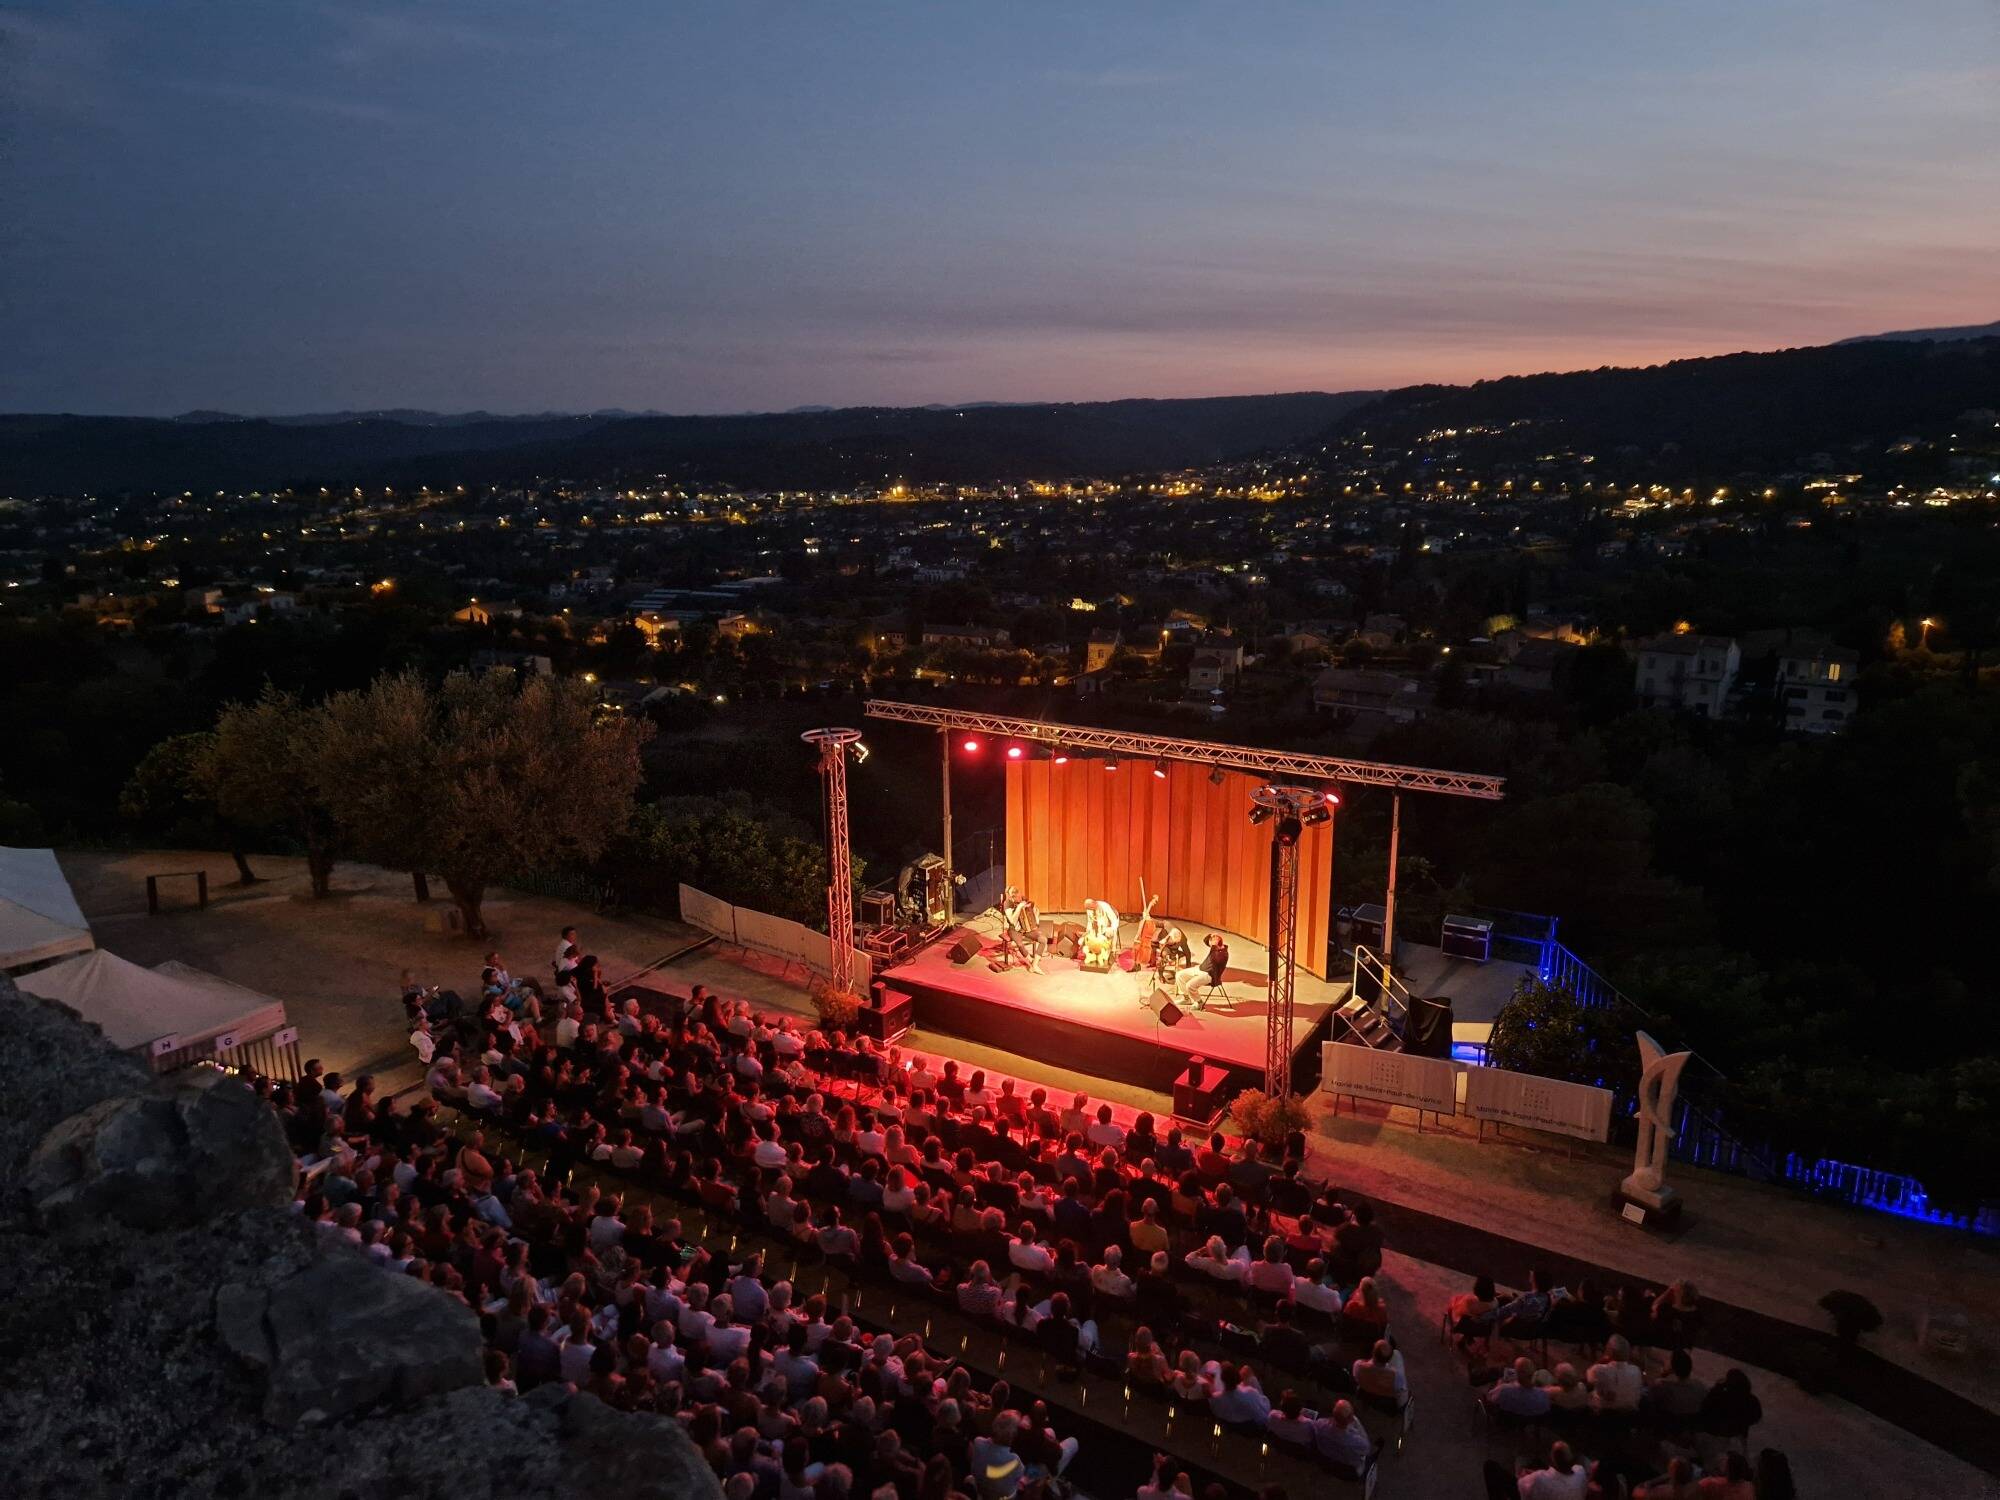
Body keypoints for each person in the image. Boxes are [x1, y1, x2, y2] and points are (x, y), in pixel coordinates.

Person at [1513, 1441, 1590, 1500]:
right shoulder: (1580, 1471)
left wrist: (1525, 1476)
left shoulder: (1539, 1478)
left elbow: (1523, 1484)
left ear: (1552, 1458)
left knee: (1520, 1461)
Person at [1309, 1399, 1370, 1472]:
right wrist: (1357, 1422)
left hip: (1327, 1455)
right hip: (1349, 1465)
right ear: (1350, 1419)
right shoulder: (1356, 1441)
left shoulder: (1320, 1424)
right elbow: (1366, 1450)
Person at [1487, 1358, 1551, 1418]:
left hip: (1505, 1422)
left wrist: (1500, 1383)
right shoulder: (1542, 1395)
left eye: (1515, 1370)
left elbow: (1490, 1398)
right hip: (1528, 1424)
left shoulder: (1504, 1390)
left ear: (1517, 1374)